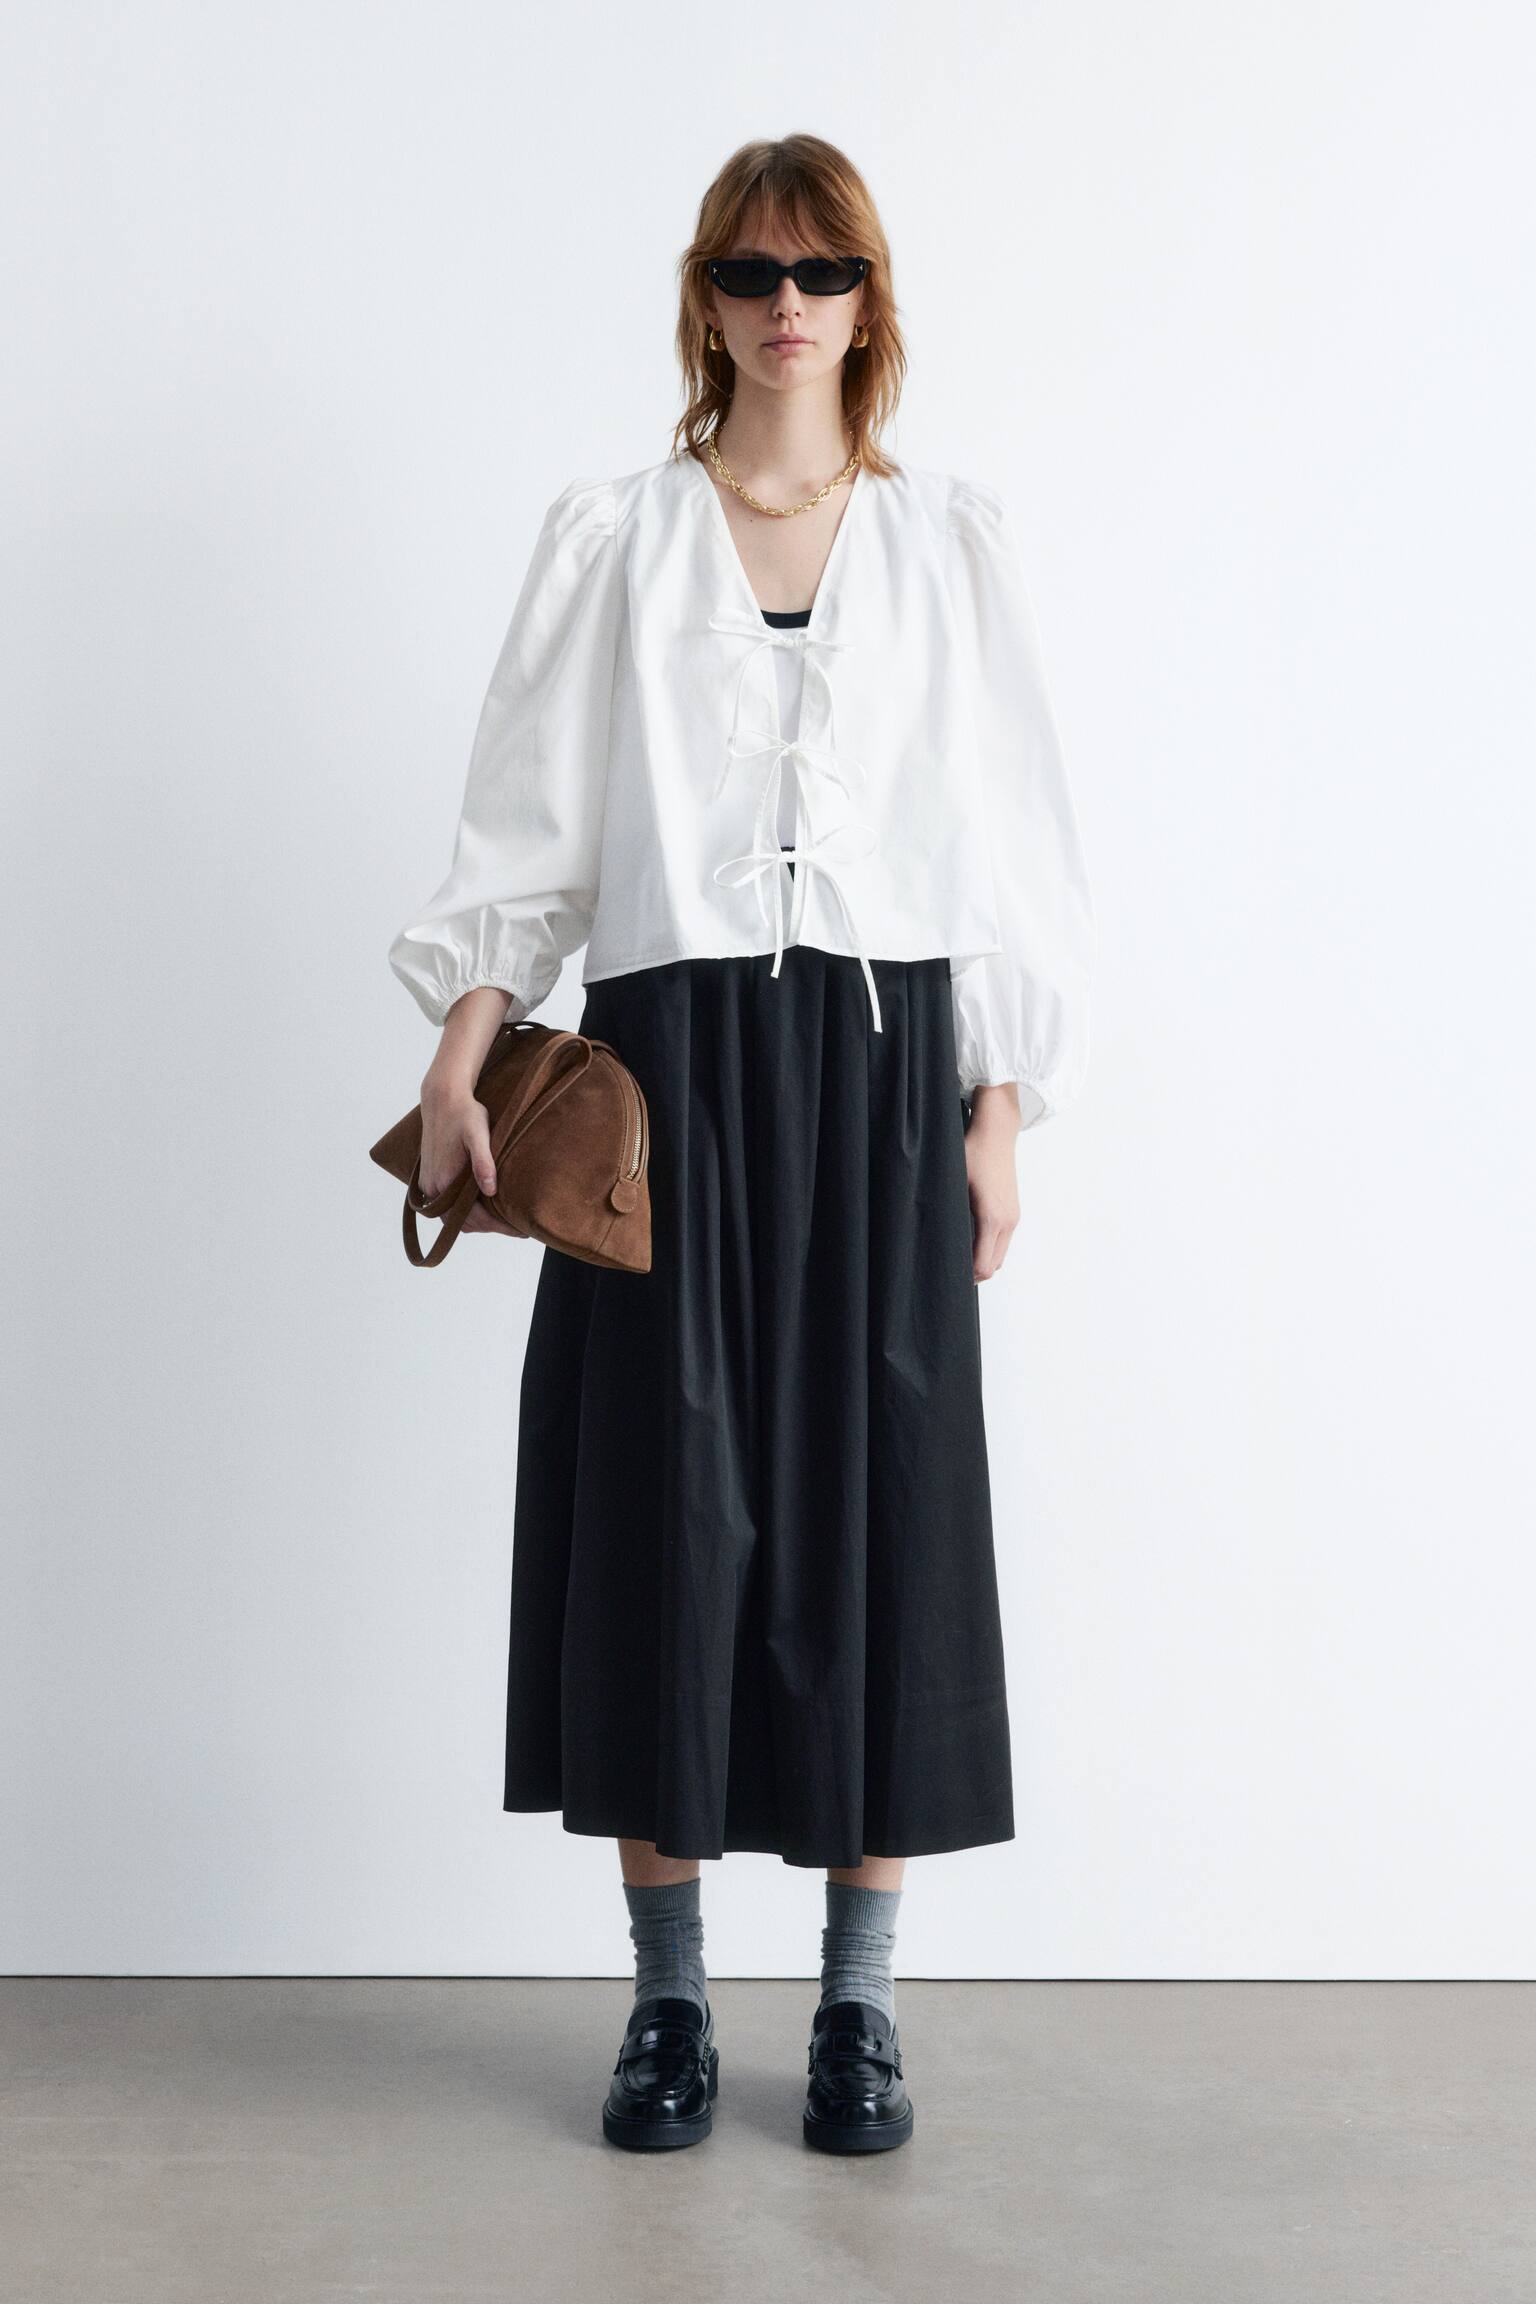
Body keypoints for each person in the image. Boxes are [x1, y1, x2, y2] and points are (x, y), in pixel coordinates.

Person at [387, 133, 1095, 2155]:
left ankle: (860, 2008)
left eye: (823, 270)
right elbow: (528, 829)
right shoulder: (615, 537)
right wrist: (459, 1058)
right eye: (751, 270)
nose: (789, 303)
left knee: (885, 1506)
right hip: (668, 1072)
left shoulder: (949, 545)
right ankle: (671, 2001)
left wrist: (1000, 1106)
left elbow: (1012, 849)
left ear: (870, 303)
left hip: (885, 1071)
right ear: (704, 298)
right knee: (664, 1512)